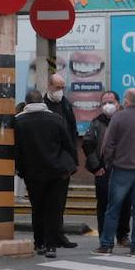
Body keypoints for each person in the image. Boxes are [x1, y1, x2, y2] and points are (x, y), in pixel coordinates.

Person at [14, 90, 78, 258]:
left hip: (33, 173)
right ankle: (51, 246)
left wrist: (20, 170)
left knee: (38, 208)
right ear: (42, 101)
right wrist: (71, 165)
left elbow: (17, 150)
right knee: (54, 210)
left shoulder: (19, 122)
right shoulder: (56, 119)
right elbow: (68, 144)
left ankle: (39, 242)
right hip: (57, 172)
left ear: (26, 103)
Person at [97, 88, 135, 256]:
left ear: (127, 100)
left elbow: (107, 145)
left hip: (121, 169)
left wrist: (110, 162)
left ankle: (106, 243)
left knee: (113, 208)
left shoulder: (118, 118)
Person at [84, 90, 132, 250]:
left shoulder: (126, 120)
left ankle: (122, 235)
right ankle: (105, 236)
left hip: (124, 168)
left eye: (111, 102)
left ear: (118, 103)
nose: (107, 105)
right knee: (103, 204)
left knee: (125, 203)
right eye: (104, 102)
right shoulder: (96, 122)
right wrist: (96, 167)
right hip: (103, 170)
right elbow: (88, 145)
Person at [43, 73, 79, 249]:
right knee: (45, 203)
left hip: (63, 163)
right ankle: (45, 237)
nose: (60, 91)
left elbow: (72, 132)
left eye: (62, 87)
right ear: (49, 85)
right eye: (57, 87)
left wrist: (73, 161)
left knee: (59, 202)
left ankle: (58, 235)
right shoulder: (42, 106)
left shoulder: (65, 105)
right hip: (46, 161)